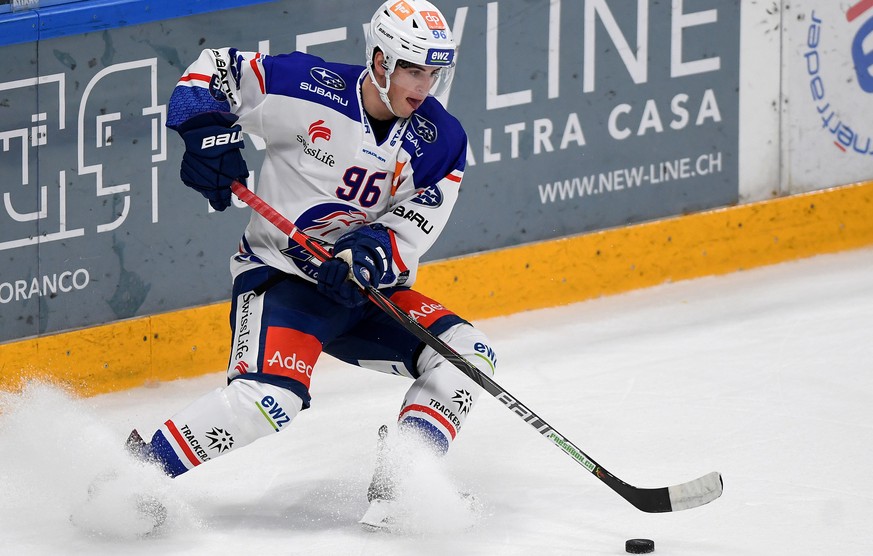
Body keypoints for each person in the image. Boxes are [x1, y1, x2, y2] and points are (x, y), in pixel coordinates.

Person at [128, 0, 497, 528]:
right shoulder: (305, 86)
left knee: (470, 356)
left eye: (433, 73)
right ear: (380, 60)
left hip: (367, 294)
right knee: (270, 400)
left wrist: (365, 260)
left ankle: (402, 477)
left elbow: (410, 232)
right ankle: (134, 473)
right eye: (413, 69)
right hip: (282, 281)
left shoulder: (442, 142)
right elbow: (212, 69)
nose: (424, 85)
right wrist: (207, 134)